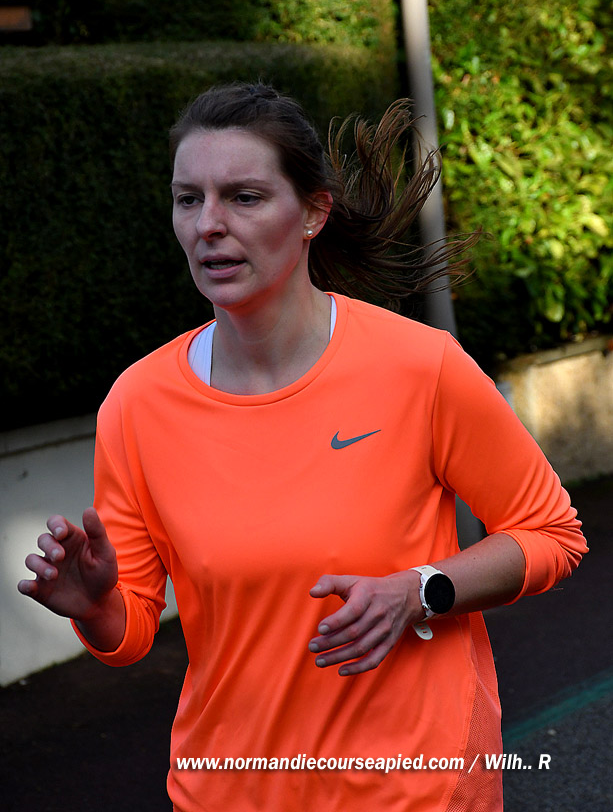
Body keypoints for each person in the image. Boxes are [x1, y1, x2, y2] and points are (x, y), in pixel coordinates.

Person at [19, 82, 587, 812]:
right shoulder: (138, 402)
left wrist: (420, 589)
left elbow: (551, 535)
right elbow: (129, 630)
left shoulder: (420, 367)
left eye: (244, 197)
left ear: (314, 212)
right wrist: (94, 605)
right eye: (188, 199)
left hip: (413, 788)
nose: (209, 225)